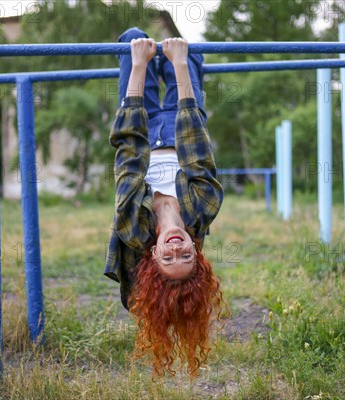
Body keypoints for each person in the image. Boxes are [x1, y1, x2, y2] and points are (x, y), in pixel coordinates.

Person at [103, 28, 226, 377]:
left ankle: (148, 55)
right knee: (188, 51)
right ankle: (176, 57)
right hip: (181, 124)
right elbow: (194, 138)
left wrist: (140, 66)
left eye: (168, 257)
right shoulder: (203, 207)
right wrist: (180, 65)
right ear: (196, 251)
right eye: (186, 256)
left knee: (131, 37)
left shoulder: (132, 224)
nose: (176, 249)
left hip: (142, 125)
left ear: (151, 257)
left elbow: (129, 148)